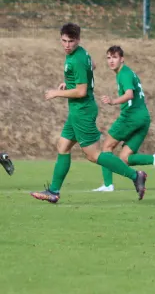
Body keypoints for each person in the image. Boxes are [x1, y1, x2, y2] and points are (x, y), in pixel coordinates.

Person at [30, 23, 147, 203]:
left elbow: (81, 91)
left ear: (78, 40)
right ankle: (53, 191)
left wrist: (57, 92)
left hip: (82, 111)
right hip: (77, 111)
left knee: (93, 155)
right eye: (64, 41)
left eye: (71, 41)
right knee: (63, 146)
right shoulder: (82, 53)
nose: (67, 45)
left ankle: (135, 176)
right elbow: (92, 65)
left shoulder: (75, 59)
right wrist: (68, 83)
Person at [93, 45, 155, 192]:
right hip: (143, 118)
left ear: (122, 59)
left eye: (114, 57)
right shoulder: (127, 73)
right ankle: (153, 159)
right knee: (125, 157)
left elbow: (129, 94)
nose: (111, 61)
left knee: (106, 147)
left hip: (131, 117)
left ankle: (108, 185)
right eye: (108, 58)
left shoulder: (124, 74)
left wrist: (113, 101)